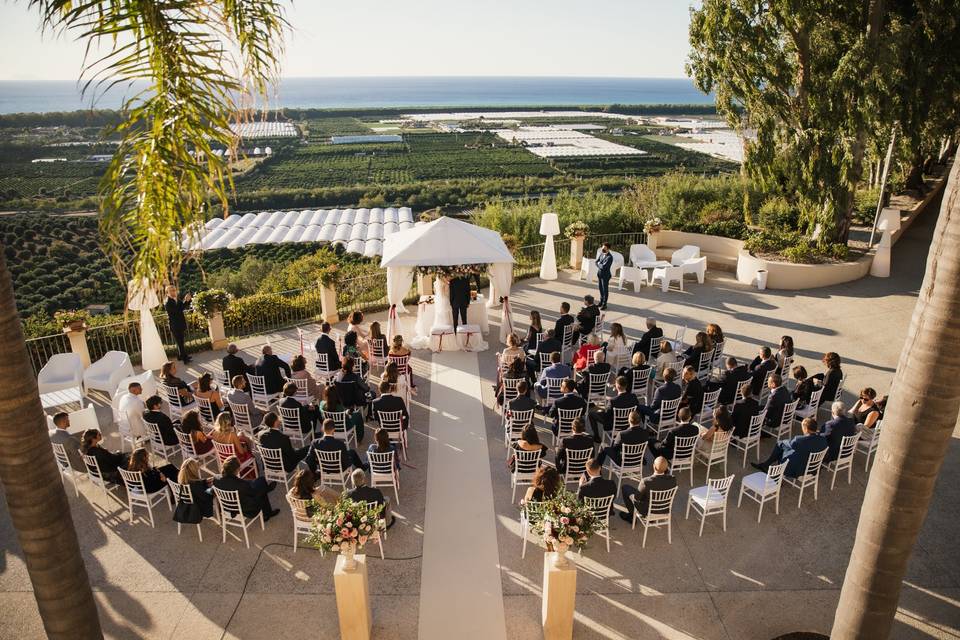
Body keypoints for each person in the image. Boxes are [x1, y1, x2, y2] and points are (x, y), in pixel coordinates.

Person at [753, 418, 828, 478]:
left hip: (798, 470)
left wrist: (782, 442)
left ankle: (774, 472)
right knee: (788, 449)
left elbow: (788, 443)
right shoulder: (823, 439)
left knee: (781, 445)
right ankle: (770, 468)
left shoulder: (799, 440)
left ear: (806, 429)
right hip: (813, 469)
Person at [213, 456, 280, 522]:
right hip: (247, 510)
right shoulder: (241, 485)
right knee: (261, 489)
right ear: (236, 470)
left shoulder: (216, 479)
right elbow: (253, 493)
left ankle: (267, 490)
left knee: (259, 483)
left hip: (228, 508)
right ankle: (267, 496)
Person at [619, 456, 677, 522]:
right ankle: (650, 519)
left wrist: (633, 496)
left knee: (625, 488)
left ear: (654, 467)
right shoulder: (673, 479)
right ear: (666, 468)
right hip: (664, 509)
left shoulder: (646, 481)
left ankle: (631, 517)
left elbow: (637, 498)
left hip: (648, 511)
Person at [594, 375, 639, 442]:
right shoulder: (633, 397)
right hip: (628, 423)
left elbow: (607, 416)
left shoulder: (613, 401)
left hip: (614, 425)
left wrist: (601, 411)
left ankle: (596, 437)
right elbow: (637, 409)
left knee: (592, 414)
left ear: (617, 386)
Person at [210, 412, 256, 476]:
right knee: (246, 444)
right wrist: (245, 448)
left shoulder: (214, 433)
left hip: (223, 459)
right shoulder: (232, 434)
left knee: (241, 435)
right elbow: (241, 452)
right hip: (234, 461)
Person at [173, 457, 215, 523]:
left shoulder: (183, 479)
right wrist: (212, 489)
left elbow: (197, 484)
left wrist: (205, 481)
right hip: (197, 508)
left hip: (186, 503)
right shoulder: (197, 485)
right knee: (216, 491)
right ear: (193, 470)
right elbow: (207, 497)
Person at [164, 284, 192, 363]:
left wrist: (187, 300)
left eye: (174, 290)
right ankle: (185, 359)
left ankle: (180, 356)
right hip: (175, 326)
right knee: (180, 343)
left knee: (181, 342)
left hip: (180, 324)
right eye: (171, 291)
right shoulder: (167, 302)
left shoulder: (177, 299)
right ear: (167, 293)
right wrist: (185, 301)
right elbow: (177, 311)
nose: (174, 292)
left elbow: (182, 307)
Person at [595, 243, 613, 309]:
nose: (603, 249)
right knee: (600, 288)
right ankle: (601, 301)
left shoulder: (610, 257)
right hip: (599, 274)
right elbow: (596, 262)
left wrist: (599, 264)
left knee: (605, 290)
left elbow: (604, 267)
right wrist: (600, 264)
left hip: (605, 275)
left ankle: (604, 304)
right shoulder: (602, 254)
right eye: (602, 248)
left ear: (608, 249)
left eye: (604, 248)